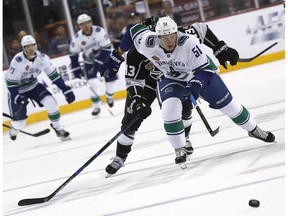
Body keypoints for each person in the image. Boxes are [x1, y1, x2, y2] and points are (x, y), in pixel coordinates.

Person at [102, 16, 275, 167]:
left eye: (173, 36)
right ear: (157, 36)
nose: (170, 41)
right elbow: (134, 30)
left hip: (200, 73)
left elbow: (205, 67)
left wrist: (219, 48)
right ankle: (179, 149)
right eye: (165, 37)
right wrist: (117, 54)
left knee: (231, 108)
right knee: (170, 110)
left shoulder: (189, 41)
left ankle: (254, 129)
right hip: (172, 77)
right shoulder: (147, 43)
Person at [105, 45, 194, 175]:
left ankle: (184, 138)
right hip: (146, 84)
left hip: (170, 79)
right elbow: (132, 79)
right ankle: (120, 157)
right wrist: (137, 100)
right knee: (131, 119)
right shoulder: (135, 52)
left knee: (183, 105)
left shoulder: (174, 41)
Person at [5, 35, 75, 141]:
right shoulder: (17, 62)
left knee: (52, 103)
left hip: (34, 86)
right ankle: (14, 127)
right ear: (23, 48)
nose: (31, 48)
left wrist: (65, 88)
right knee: (20, 123)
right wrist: (17, 97)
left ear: (36, 45)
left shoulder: (42, 58)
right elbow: (10, 83)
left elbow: (53, 75)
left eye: (33, 45)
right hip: (18, 90)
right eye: (27, 46)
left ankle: (58, 128)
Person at [69, 13, 117, 115]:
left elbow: (107, 48)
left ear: (91, 22)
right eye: (82, 24)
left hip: (106, 58)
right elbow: (73, 54)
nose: (85, 25)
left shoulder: (99, 31)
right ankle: (96, 106)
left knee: (111, 78)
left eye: (87, 22)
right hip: (89, 61)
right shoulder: (77, 37)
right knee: (92, 82)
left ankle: (109, 96)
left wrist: (99, 62)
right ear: (79, 26)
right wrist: (75, 68)